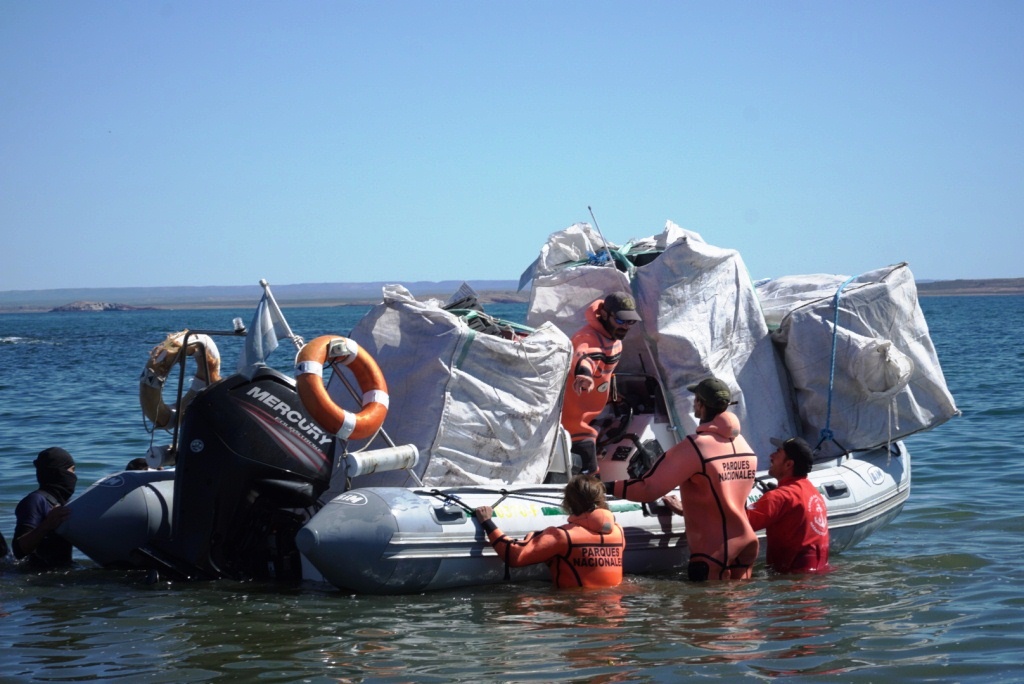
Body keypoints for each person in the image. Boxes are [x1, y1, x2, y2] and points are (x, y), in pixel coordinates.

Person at [604, 377, 759, 581]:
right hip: (747, 542)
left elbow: (648, 488)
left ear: (700, 404)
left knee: (708, 610)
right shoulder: (742, 444)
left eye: (695, 399)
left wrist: (605, 486)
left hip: (714, 549)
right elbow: (723, 495)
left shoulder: (696, 446)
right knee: (739, 609)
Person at [473, 474, 625, 588]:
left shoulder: (562, 537)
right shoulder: (618, 532)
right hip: (612, 613)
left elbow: (514, 556)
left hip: (576, 610)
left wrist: (487, 522)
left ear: (567, 502)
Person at [560, 291, 641, 476]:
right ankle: (590, 497)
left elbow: (606, 370)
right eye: (621, 321)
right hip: (573, 419)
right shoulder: (588, 337)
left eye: (631, 322)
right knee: (589, 471)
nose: (626, 327)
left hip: (594, 412)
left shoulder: (614, 339)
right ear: (604, 315)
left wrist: (614, 394)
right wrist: (585, 375)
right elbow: (584, 355)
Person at [746, 436, 830, 574]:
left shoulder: (779, 498)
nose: (771, 455)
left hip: (792, 584)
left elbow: (736, 526)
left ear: (788, 464)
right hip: (818, 577)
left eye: (778, 452)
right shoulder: (813, 492)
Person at [12, 447, 77, 570]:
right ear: (59, 472)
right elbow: (19, 550)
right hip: (38, 577)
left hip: (64, 571)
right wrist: (47, 525)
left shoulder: (64, 503)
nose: (74, 476)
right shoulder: (35, 501)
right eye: (72, 470)